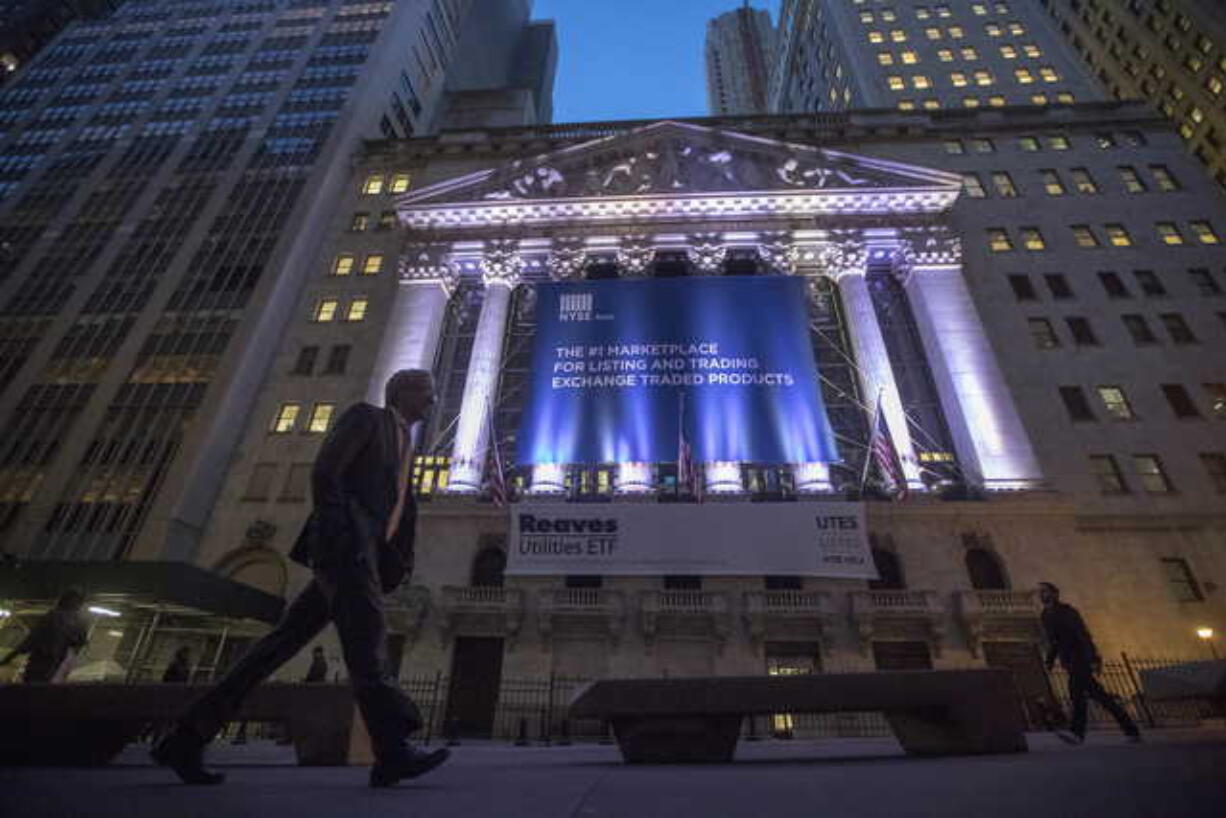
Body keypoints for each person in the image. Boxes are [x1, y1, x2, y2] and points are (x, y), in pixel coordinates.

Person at [153, 370, 448, 787]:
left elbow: (393, 509)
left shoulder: (405, 445)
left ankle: (185, 737)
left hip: (360, 555)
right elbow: (326, 472)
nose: (432, 402)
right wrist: (338, 535)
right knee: (368, 642)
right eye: (428, 393)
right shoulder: (367, 418)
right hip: (344, 552)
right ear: (403, 392)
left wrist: (396, 558)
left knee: (276, 646)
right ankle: (393, 750)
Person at [1039, 582, 1141, 744]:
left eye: (1045, 591)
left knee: (1076, 694)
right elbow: (1054, 641)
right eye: (1040, 592)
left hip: (1080, 658)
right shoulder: (1045, 615)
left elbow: (1083, 634)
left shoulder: (1068, 612)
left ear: (1055, 593)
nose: (1041, 595)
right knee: (1102, 698)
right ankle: (1131, 730)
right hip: (1069, 661)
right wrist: (1050, 661)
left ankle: (1077, 732)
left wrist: (1093, 658)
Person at [0, 588, 88, 683]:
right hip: (50, 667)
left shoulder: (54, 617)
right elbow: (80, 641)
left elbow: (30, 641)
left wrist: (9, 657)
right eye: (79, 602)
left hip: (44, 667)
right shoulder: (68, 620)